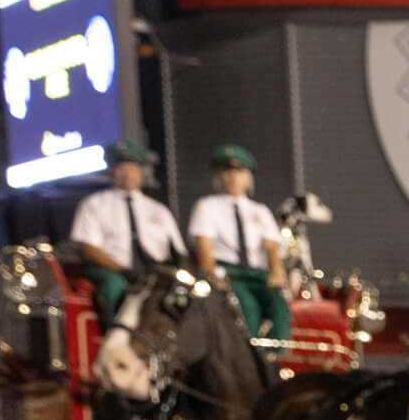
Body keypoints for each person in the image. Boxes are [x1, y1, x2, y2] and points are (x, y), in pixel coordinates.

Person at [187, 144, 291, 349]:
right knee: (247, 306)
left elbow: (271, 246)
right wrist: (212, 276)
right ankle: (248, 359)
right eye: (227, 171)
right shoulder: (207, 206)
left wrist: (277, 271)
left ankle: (275, 358)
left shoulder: (260, 211)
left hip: (257, 273)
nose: (233, 177)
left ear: (248, 177)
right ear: (218, 176)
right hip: (228, 273)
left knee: (279, 308)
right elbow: (204, 248)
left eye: (240, 171)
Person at [67, 140, 186, 317]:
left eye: (132, 168)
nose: (127, 174)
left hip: (155, 272)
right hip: (112, 270)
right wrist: (123, 270)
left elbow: (178, 250)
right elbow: (89, 249)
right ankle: (118, 340)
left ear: (141, 173)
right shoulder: (94, 204)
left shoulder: (158, 210)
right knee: (115, 289)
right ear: (111, 171)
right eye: (121, 168)